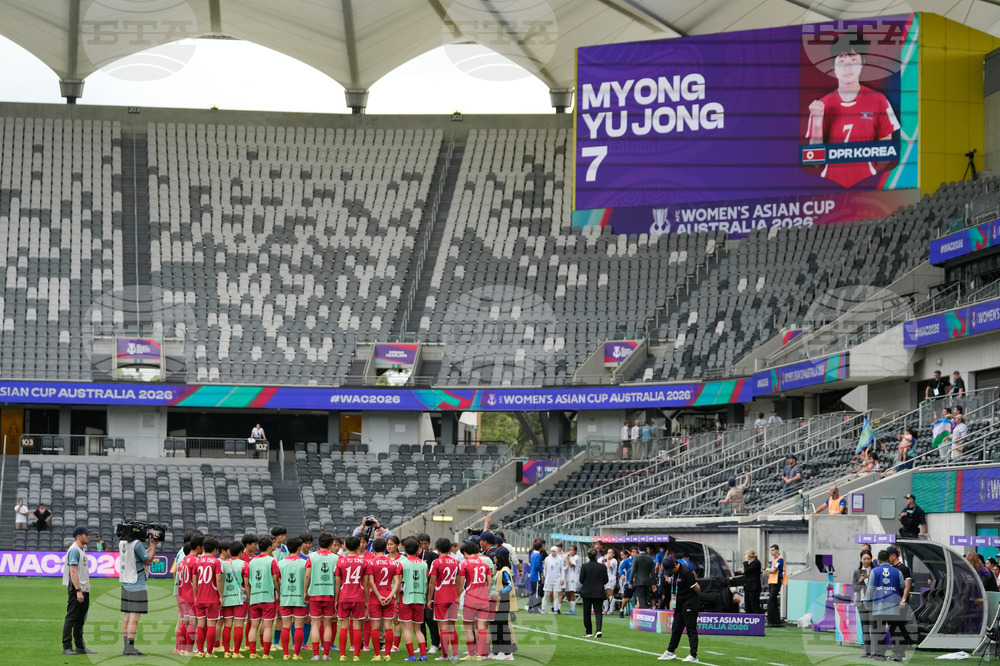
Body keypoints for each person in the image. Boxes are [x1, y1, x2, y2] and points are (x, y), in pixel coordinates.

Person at [805, 39, 900, 189]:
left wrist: (872, 175)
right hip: (831, 187)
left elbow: (885, 150)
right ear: (832, 67)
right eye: (841, 61)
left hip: (868, 187)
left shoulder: (879, 100)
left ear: (862, 63)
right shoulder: (820, 105)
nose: (847, 67)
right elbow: (815, 162)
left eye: (853, 60)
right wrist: (817, 121)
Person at [119, 524, 160, 656]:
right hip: (137, 583)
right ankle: (131, 648)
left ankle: (126, 647)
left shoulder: (123, 543)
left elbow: (139, 555)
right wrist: (153, 545)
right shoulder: (136, 544)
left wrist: (148, 548)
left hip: (126, 582)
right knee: (134, 617)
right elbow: (148, 561)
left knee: (127, 616)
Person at [364, 537, 401, 660]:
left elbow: (371, 582)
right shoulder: (393, 563)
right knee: (388, 626)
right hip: (389, 597)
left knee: (375, 626)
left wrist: (379, 596)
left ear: (373, 549)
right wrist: (390, 596)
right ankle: (388, 654)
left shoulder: (371, 562)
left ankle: (377, 655)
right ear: (385, 548)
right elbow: (397, 582)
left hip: (375, 598)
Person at [657, 556, 700, 662]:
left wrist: (692, 600)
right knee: (676, 629)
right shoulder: (674, 573)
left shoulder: (686, 572)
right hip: (679, 604)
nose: (671, 572)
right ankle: (670, 651)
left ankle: (693, 655)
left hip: (689, 604)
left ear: (676, 564)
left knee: (691, 629)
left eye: (672, 569)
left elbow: (697, 588)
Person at [865, 550, 905, 661]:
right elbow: (902, 585)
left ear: (878, 561)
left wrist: (867, 601)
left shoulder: (874, 571)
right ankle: (898, 654)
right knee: (894, 630)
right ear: (889, 559)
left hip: (879, 606)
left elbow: (870, 587)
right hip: (893, 606)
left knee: (879, 631)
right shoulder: (897, 571)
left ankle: (880, 655)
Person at [246, 534, 281, 659]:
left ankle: (252, 653)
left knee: (254, 626)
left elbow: (248, 580)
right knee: (267, 626)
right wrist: (279, 593)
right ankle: (266, 653)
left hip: (255, 597)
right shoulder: (272, 560)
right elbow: (275, 579)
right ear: (268, 547)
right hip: (268, 597)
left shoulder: (252, 561)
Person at [457, 541, 493, 660]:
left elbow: (461, 583)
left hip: (470, 599)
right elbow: (490, 583)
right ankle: (481, 655)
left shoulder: (465, 564)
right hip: (484, 599)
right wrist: (485, 595)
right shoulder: (484, 563)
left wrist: (457, 597)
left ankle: (471, 654)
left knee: (468, 626)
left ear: (465, 553)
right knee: (482, 627)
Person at [62, 525, 95, 655]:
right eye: (86, 534)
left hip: (82, 589)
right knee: (71, 618)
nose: (89, 536)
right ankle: (67, 647)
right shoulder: (75, 550)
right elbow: (73, 572)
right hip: (78, 589)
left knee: (80, 619)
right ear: (78, 536)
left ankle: (80, 646)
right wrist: (78, 590)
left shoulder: (80, 550)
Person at [335, 535, 368, 660]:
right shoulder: (364, 562)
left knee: (343, 626)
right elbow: (365, 583)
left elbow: (338, 583)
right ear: (359, 546)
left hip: (344, 596)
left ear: (346, 546)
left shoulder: (340, 561)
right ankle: (356, 655)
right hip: (358, 597)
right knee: (357, 627)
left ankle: (342, 655)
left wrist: (336, 600)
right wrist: (365, 600)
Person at [428, 537, 461, 660]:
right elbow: (458, 581)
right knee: (452, 627)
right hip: (452, 598)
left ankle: (445, 655)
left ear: (438, 549)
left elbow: (432, 583)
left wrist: (429, 599)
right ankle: (456, 655)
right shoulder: (455, 562)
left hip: (441, 598)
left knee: (443, 628)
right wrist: (457, 596)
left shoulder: (436, 562)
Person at [192, 536, 223, 657]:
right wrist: (221, 596)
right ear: (215, 549)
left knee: (200, 625)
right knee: (211, 626)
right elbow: (219, 580)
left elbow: (194, 582)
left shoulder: (197, 561)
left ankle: (200, 651)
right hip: (212, 599)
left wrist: (195, 597)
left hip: (200, 598)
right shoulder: (216, 562)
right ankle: (209, 652)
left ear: (204, 548)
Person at [278, 537, 308, 659]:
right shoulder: (304, 563)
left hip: (285, 598)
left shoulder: (280, 563)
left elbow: (278, 580)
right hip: (299, 598)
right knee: (299, 626)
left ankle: (286, 654)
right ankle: (296, 654)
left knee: (285, 626)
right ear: (299, 548)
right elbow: (307, 579)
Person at [220, 540, 248, 657]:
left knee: (227, 624)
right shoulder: (244, 564)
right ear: (241, 551)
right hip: (239, 598)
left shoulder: (223, 564)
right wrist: (249, 597)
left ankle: (226, 651)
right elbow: (246, 584)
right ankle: (236, 651)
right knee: (239, 624)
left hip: (226, 597)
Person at [490, 547, 517, 660]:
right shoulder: (501, 570)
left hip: (503, 603)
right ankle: (499, 651)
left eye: (495, 556)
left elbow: (509, 586)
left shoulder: (505, 570)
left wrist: (499, 593)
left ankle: (507, 653)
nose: (494, 557)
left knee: (503, 628)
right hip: (499, 603)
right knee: (498, 627)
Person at [579, 548, 608, 638]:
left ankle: (589, 631)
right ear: (596, 556)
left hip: (587, 591)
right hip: (599, 591)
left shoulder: (584, 566)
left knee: (586, 612)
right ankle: (598, 630)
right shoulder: (602, 566)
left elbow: (581, 580)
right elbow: (606, 580)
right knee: (598, 612)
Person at [852, 550, 873, 658]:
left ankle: (874, 651)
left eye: (868, 559)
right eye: (864, 559)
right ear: (861, 559)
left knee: (874, 627)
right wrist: (860, 580)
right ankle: (866, 651)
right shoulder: (857, 572)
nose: (866, 561)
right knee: (865, 627)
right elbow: (855, 588)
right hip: (862, 603)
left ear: (871, 559)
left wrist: (870, 578)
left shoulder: (874, 571)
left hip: (873, 603)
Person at [765, 544, 785, 628]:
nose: (771, 552)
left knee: (770, 601)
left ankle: (770, 620)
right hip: (772, 582)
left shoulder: (780, 559)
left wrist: (769, 570)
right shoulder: (774, 560)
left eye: (773, 550)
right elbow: (768, 570)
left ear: (777, 550)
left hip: (776, 581)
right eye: (771, 550)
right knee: (774, 602)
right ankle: (776, 621)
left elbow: (772, 570)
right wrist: (770, 570)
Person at [737, 549, 762, 615]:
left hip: (754, 587)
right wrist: (743, 571)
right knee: (748, 606)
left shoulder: (756, 562)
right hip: (748, 587)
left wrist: (745, 561)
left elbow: (747, 570)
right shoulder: (751, 564)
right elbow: (748, 572)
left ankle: (759, 618)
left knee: (754, 605)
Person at [631, 543, 656, 610]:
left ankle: (643, 612)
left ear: (638, 549)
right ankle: (647, 610)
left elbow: (633, 570)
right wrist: (654, 583)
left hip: (639, 581)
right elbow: (652, 572)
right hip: (648, 581)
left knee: (641, 597)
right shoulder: (650, 558)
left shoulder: (636, 557)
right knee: (647, 598)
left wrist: (630, 581)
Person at [542, 546, 564, 614]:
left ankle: (555, 610)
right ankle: (543, 609)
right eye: (551, 551)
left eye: (554, 551)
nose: (552, 553)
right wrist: (544, 577)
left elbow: (562, 570)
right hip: (548, 579)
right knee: (546, 594)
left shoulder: (560, 559)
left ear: (556, 551)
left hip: (557, 579)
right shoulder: (547, 559)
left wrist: (562, 578)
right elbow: (545, 569)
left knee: (556, 595)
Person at [563, 545, 580, 615]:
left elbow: (571, 565)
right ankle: (571, 608)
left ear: (575, 551)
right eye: (570, 550)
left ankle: (573, 609)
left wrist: (567, 558)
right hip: (568, 577)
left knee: (571, 592)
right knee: (567, 593)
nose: (570, 551)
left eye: (572, 550)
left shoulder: (576, 557)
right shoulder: (570, 557)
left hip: (573, 577)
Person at [527, 542, 543, 613]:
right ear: (540, 548)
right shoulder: (538, 555)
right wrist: (542, 571)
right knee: (536, 593)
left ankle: (530, 608)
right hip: (536, 576)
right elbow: (537, 566)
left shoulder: (532, 554)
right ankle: (535, 609)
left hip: (532, 574)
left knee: (532, 592)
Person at [602, 548, 619, 614]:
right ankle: (606, 609)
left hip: (611, 579)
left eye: (610, 553)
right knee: (605, 594)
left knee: (610, 594)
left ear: (613, 554)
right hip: (606, 579)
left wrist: (608, 559)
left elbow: (610, 566)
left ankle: (611, 610)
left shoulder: (614, 560)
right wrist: (603, 562)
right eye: (607, 552)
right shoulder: (606, 561)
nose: (608, 554)